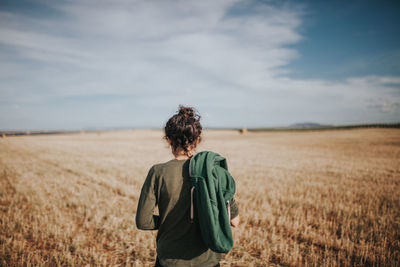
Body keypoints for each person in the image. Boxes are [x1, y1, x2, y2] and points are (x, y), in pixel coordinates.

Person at [136, 105, 239, 267]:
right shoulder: (214, 171)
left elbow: (143, 221)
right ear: (197, 140)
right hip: (208, 261)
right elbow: (234, 222)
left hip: (169, 260)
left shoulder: (158, 172)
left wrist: (168, 221)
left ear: (168, 139)